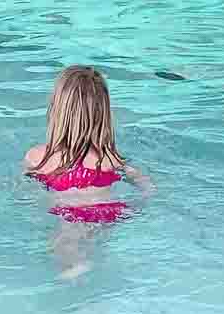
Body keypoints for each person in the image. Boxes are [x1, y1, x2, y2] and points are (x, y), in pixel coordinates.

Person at [24, 65, 149, 276]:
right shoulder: (109, 158)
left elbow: (24, 190)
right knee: (93, 240)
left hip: (71, 211)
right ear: (103, 115)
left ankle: (77, 265)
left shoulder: (38, 157)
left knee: (63, 243)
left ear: (57, 110)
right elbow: (144, 183)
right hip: (111, 211)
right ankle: (88, 263)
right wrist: (145, 196)